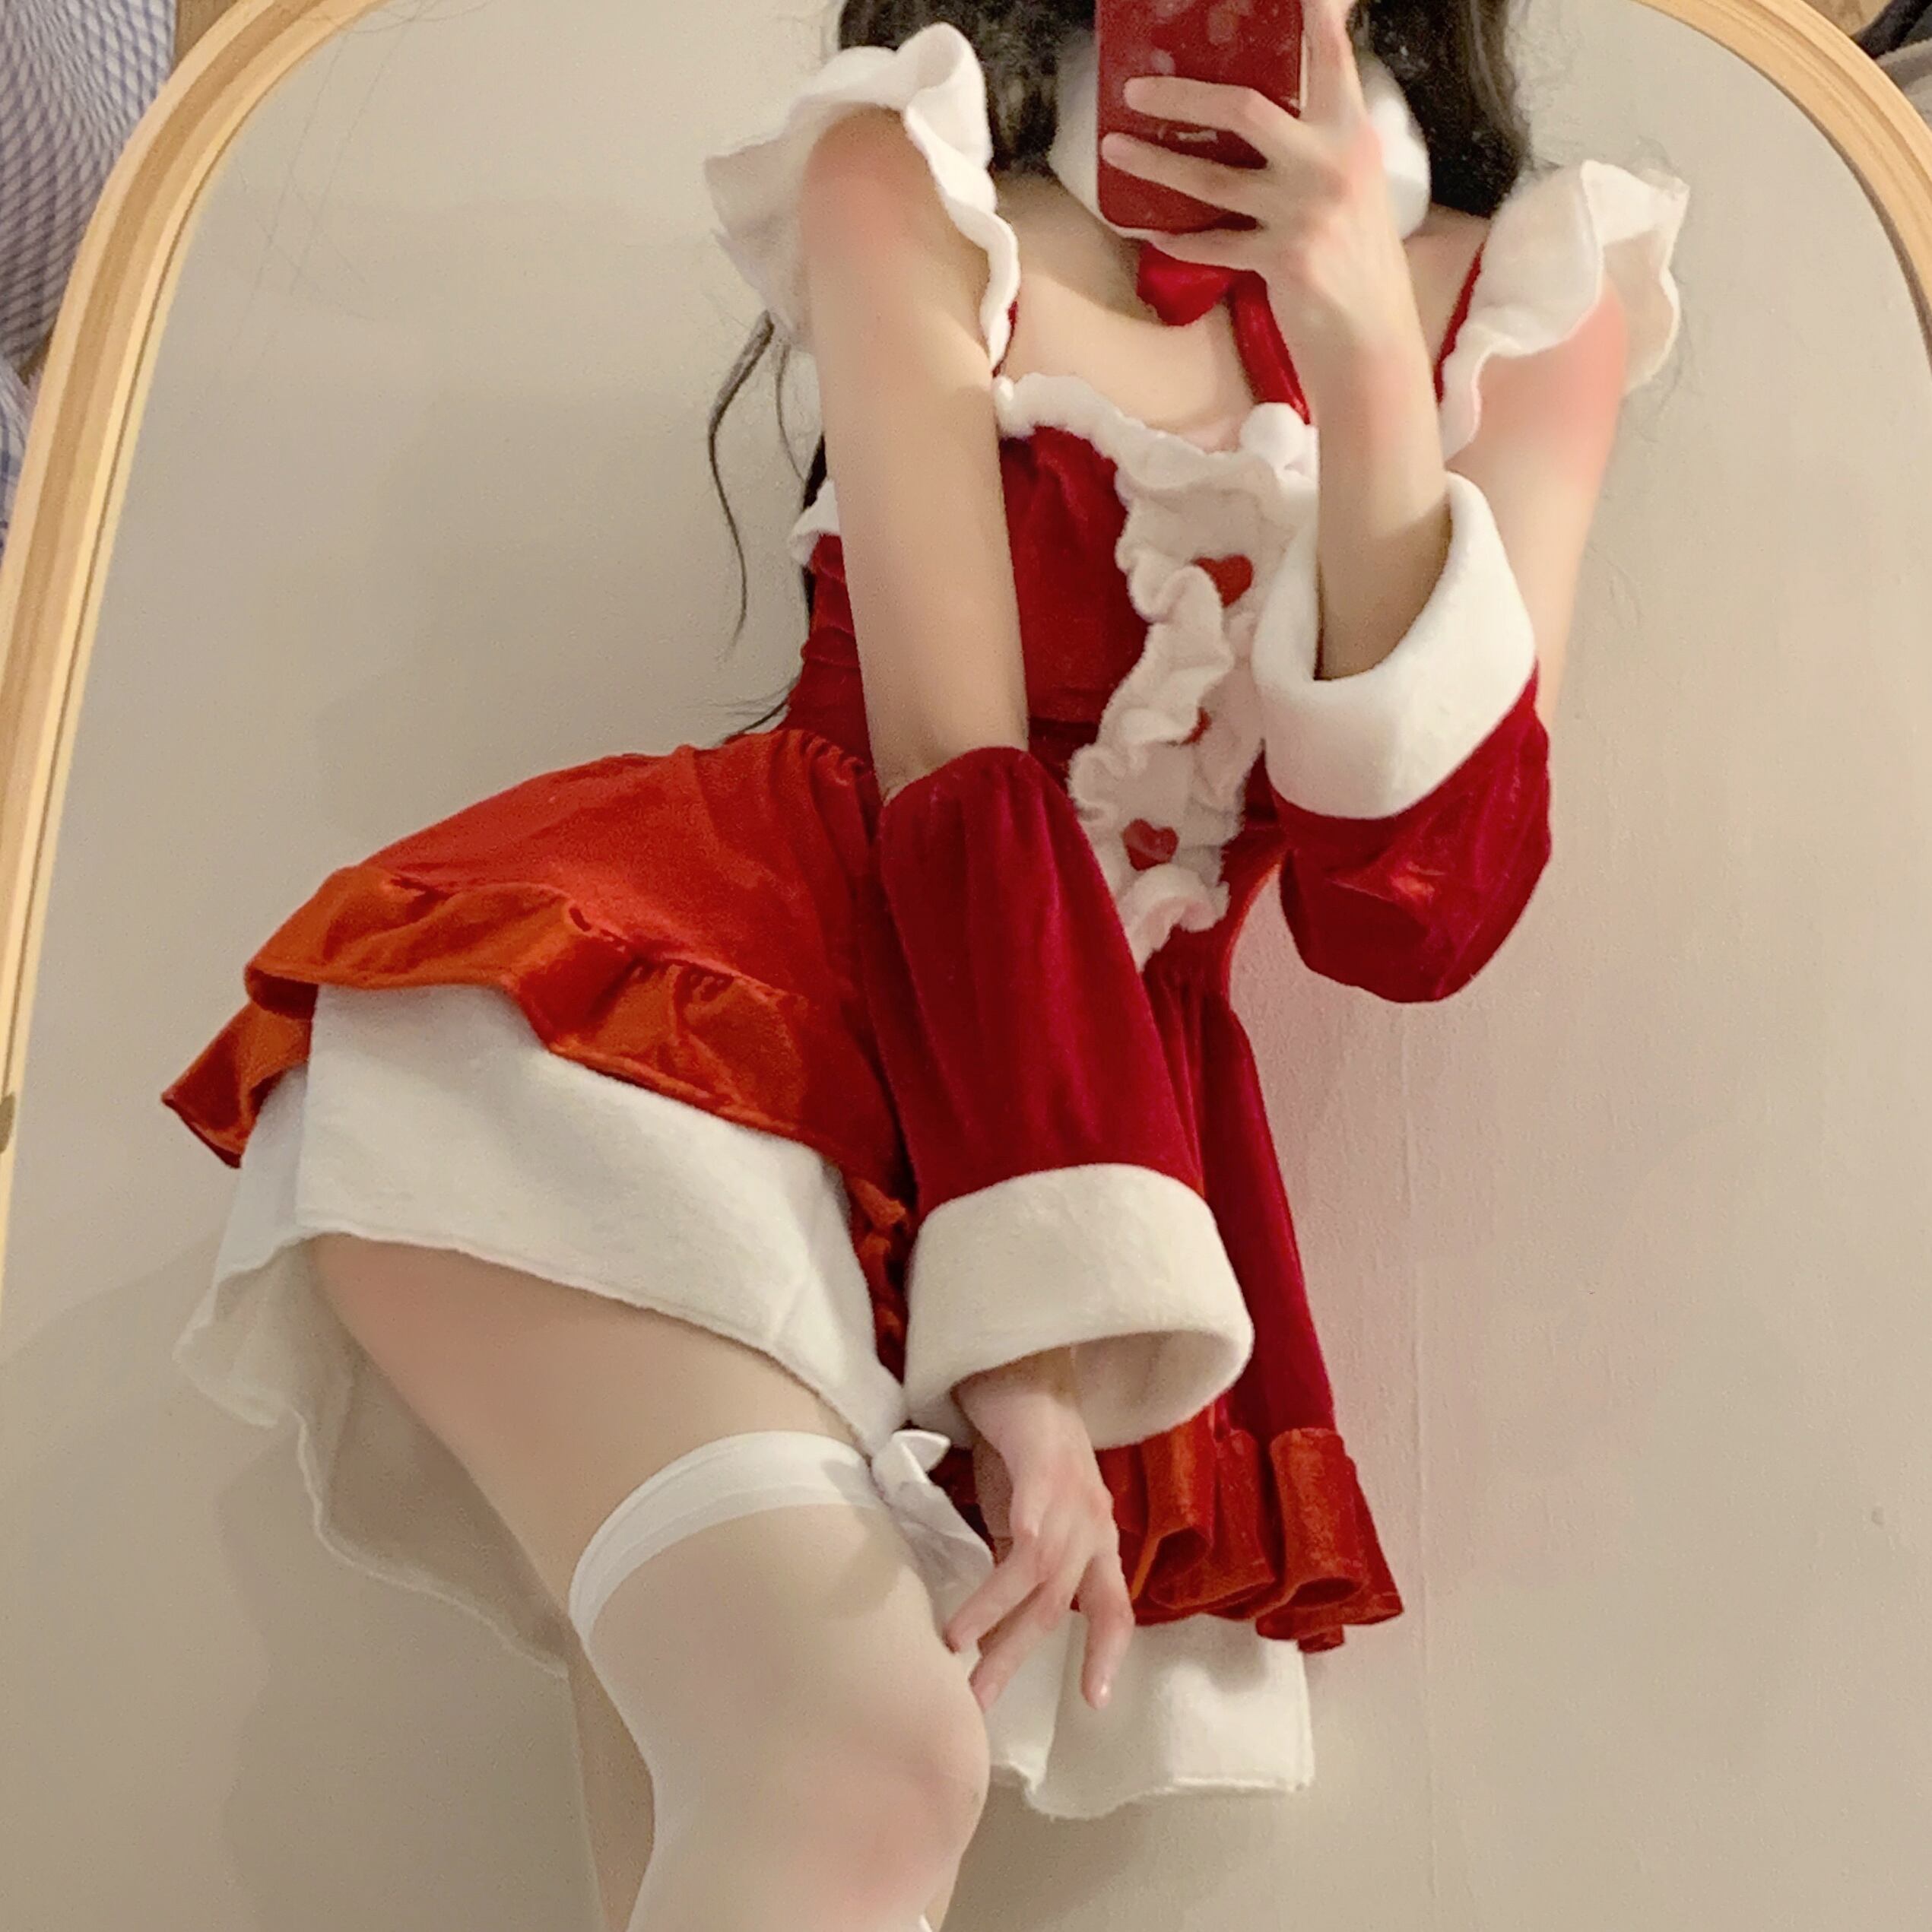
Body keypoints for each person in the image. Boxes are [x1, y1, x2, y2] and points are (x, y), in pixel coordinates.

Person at [159, 2, 1689, 1928]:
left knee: (745, 1810)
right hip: (679, 1046)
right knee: (857, 1760)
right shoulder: (913, 171)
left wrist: (1367, 345)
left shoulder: (1532, 295)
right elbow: (944, 764)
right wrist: (1027, 1336)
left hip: (1048, 1126)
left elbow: (1413, 916)